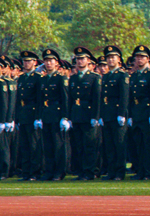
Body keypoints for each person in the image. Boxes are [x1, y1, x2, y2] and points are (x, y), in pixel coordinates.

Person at [69, 47, 102, 181]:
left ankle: (90, 171)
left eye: (82, 58)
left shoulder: (94, 77)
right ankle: (82, 171)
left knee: (89, 145)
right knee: (78, 145)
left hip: (88, 115)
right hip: (76, 115)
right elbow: (70, 99)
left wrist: (96, 116)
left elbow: (97, 99)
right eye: (78, 59)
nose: (80, 61)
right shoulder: (73, 78)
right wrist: (69, 117)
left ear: (88, 61)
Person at [37, 49, 70, 181]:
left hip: (57, 114)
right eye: (46, 60)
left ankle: (59, 171)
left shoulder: (61, 78)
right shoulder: (43, 79)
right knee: (48, 145)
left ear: (56, 63)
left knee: (58, 145)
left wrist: (65, 117)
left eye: (51, 60)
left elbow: (65, 99)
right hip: (46, 114)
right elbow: (40, 100)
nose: (48, 63)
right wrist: (39, 116)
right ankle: (49, 170)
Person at [128, 45, 150, 180]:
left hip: (147, 112)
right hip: (136, 113)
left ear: (148, 59)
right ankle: (140, 171)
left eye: (142, 57)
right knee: (138, 143)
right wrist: (130, 115)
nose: (139, 59)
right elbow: (130, 97)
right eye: (137, 57)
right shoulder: (134, 75)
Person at [99, 46, 129, 181]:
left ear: (119, 59)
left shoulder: (122, 75)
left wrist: (122, 113)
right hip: (107, 114)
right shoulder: (106, 76)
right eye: (108, 58)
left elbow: (124, 95)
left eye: (113, 57)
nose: (110, 60)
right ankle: (111, 171)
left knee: (119, 144)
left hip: (117, 113)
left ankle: (119, 172)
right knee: (109, 145)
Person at [16, 51, 42, 181]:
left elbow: (39, 99)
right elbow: (18, 100)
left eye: (29, 61)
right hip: (23, 114)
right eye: (25, 61)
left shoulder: (38, 78)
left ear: (35, 62)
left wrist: (38, 116)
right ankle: (26, 172)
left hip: (32, 113)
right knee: (24, 145)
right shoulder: (21, 78)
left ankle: (34, 172)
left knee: (33, 145)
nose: (26, 63)